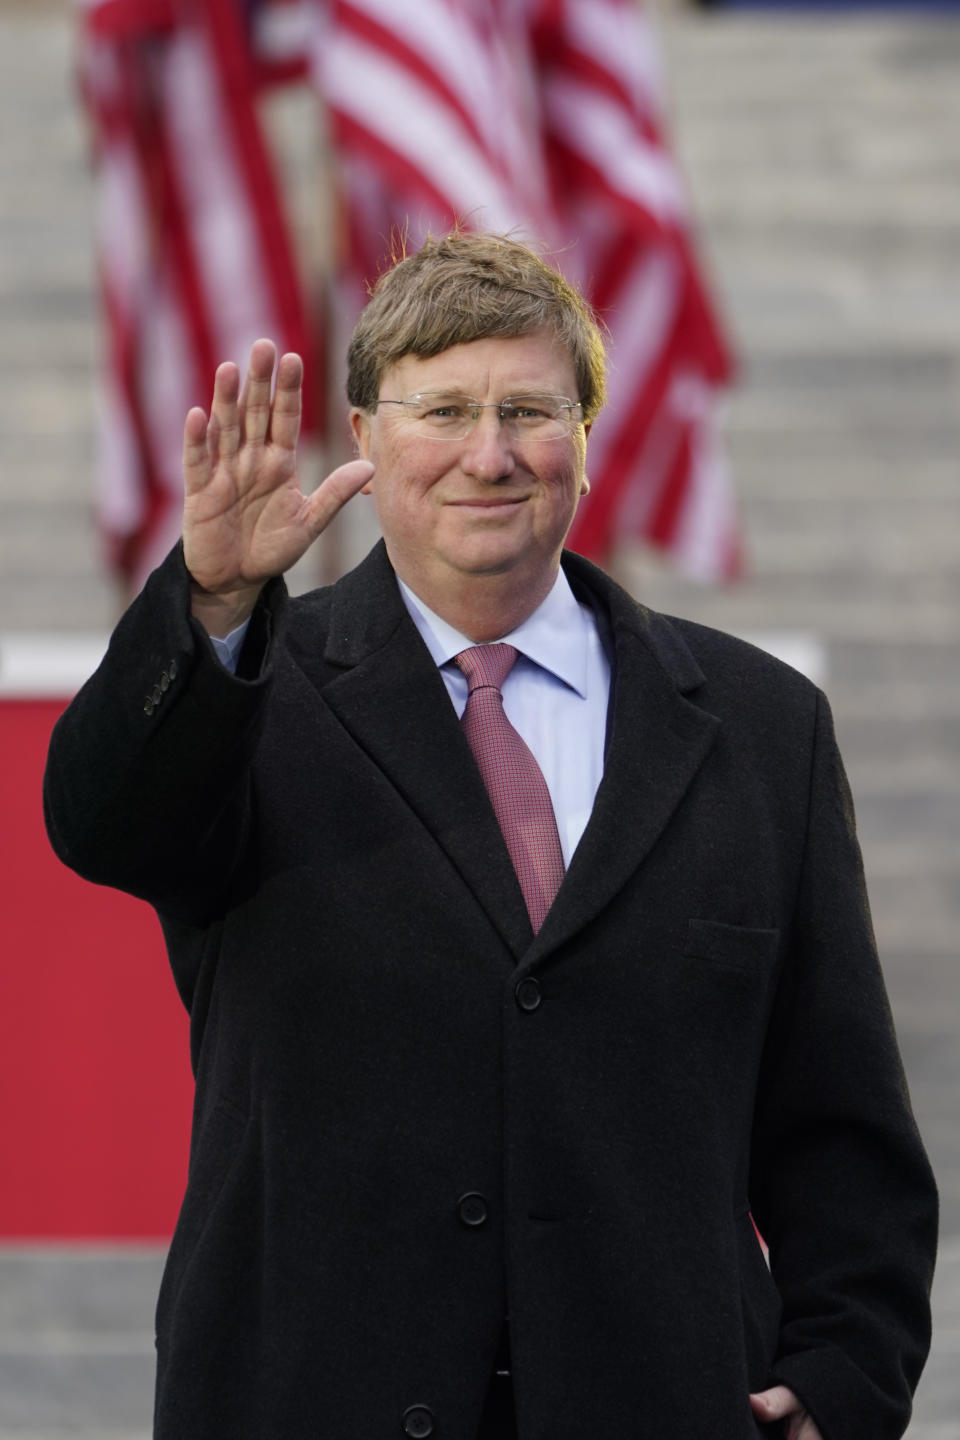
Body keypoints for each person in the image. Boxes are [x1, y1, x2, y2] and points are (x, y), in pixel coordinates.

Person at [44, 231, 936, 1440]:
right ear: (362, 435)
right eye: (443, 409)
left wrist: (844, 1378)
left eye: (530, 409)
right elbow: (101, 825)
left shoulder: (764, 728)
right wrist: (209, 605)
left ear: (585, 436)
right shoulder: (250, 696)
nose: (489, 452)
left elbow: (842, 1122)